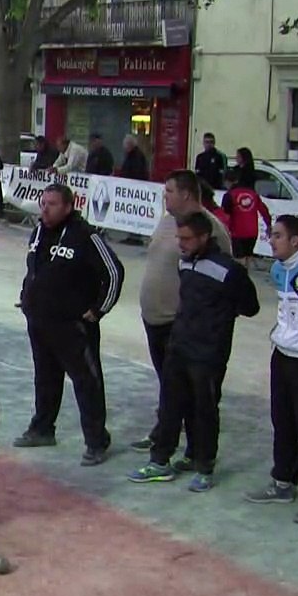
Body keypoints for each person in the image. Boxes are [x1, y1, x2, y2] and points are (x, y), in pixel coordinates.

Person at [127, 212, 259, 492]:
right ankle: (160, 462)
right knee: (170, 406)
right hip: (179, 347)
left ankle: (204, 466)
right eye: (179, 238)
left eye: (186, 239)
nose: (181, 244)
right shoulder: (185, 263)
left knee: (204, 410)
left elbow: (250, 306)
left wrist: (217, 321)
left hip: (208, 355)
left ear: (203, 237)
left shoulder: (228, 270)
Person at [15, 183, 125, 466]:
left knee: (86, 381)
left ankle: (97, 441)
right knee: (46, 377)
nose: (45, 209)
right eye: (43, 203)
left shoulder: (85, 236)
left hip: (73, 325)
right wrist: (27, 297)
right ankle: (42, 429)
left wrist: (99, 310)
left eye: (52, 204)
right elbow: (35, 270)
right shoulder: (38, 231)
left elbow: (113, 273)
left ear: (68, 206)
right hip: (39, 321)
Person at [132, 170, 232, 455]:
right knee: (169, 385)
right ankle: (164, 431)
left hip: (182, 324)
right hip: (155, 318)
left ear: (186, 194)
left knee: (189, 390)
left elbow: (226, 279)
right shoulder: (166, 221)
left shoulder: (211, 229)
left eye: (169, 191)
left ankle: (194, 449)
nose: (165, 196)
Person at [244, 215, 298, 518]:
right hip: (281, 354)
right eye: (271, 235)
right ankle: (282, 481)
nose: (270, 240)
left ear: (295, 240)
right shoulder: (276, 269)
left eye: (277, 236)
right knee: (281, 420)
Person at [220, 167, 272, 270]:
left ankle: (239, 281)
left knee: (238, 260)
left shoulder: (229, 195)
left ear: (226, 181)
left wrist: (225, 231)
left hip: (237, 232)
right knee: (247, 258)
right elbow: (264, 210)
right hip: (252, 232)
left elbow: (225, 216)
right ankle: (245, 279)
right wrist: (268, 225)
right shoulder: (252, 193)